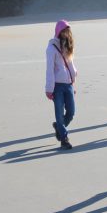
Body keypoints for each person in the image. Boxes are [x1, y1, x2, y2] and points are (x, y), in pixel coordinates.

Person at [45, 20, 78, 149]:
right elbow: (49, 70)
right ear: (58, 32)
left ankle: (59, 126)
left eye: (67, 31)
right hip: (57, 86)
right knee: (59, 113)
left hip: (68, 84)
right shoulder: (51, 48)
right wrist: (49, 89)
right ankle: (64, 139)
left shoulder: (68, 46)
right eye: (64, 31)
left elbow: (70, 64)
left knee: (71, 112)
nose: (67, 33)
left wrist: (73, 76)